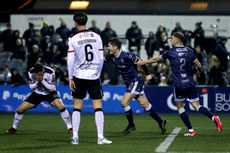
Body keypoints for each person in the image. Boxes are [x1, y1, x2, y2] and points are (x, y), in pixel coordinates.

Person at [136, 32, 223, 136]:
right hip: (190, 82)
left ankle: (191, 130)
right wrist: (198, 71)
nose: (171, 40)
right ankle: (214, 118)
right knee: (196, 106)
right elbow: (199, 64)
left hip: (179, 84)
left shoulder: (171, 52)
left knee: (180, 107)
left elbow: (155, 59)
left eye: (172, 38)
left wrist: (143, 62)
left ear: (177, 40)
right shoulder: (190, 51)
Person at [105, 38, 166, 135]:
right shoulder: (111, 56)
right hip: (129, 83)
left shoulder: (127, 55)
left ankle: (131, 125)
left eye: (109, 46)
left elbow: (141, 62)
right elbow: (101, 60)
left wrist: (147, 74)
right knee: (145, 104)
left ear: (115, 47)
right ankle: (160, 121)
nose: (108, 48)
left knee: (124, 103)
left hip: (136, 81)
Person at [67, 11, 112, 145]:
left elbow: (70, 60)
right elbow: (100, 58)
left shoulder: (73, 38)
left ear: (75, 22)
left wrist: (70, 78)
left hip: (78, 75)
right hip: (93, 75)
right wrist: (98, 73)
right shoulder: (97, 36)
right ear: (86, 21)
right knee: (98, 107)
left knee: (77, 107)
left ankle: (75, 137)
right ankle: (100, 137)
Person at [5, 62, 72, 134]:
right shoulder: (31, 72)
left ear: (43, 70)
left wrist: (42, 80)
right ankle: (14, 127)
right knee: (20, 109)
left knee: (61, 106)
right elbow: (31, 87)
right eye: (37, 74)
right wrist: (37, 81)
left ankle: (70, 127)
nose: (39, 75)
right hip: (37, 93)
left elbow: (51, 88)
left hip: (50, 93)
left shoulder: (50, 72)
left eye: (40, 74)